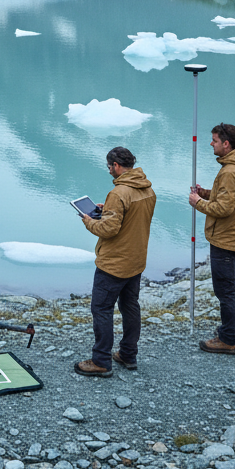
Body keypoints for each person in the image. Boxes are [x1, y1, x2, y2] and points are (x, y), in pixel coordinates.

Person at [74, 146, 156, 377]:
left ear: (117, 166)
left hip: (114, 263)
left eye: (109, 167)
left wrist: (89, 221)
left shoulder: (119, 193)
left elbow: (109, 229)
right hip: (136, 260)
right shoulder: (147, 189)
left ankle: (101, 361)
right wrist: (107, 209)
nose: (109, 170)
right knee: (130, 306)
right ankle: (128, 354)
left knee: (101, 308)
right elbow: (131, 217)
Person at [189, 123, 235, 355]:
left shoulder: (230, 171)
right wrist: (205, 193)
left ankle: (228, 340)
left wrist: (198, 202)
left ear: (226, 144)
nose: (211, 144)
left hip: (226, 238)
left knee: (226, 290)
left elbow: (224, 209)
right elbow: (233, 199)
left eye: (215, 141)